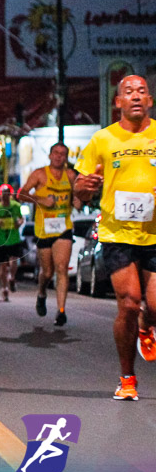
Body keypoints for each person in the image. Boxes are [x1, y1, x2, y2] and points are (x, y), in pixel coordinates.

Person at [73, 74, 156, 402]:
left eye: (142, 91)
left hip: (154, 233)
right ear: (118, 102)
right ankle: (127, 378)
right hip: (116, 232)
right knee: (129, 302)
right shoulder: (102, 140)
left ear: (149, 100)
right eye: (128, 92)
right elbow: (79, 187)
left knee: (154, 306)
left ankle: (147, 328)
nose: (136, 96)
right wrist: (84, 186)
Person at [18, 142, 79, 325]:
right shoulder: (39, 174)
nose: (59, 156)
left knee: (62, 269)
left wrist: (78, 200)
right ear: (50, 155)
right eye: (56, 153)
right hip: (44, 229)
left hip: (63, 227)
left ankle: (61, 311)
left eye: (63, 154)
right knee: (47, 272)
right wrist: (40, 199)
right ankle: (42, 293)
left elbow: (79, 194)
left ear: (66, 157)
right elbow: (21, 195)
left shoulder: (70, 176)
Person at [0, 184, 24, 302]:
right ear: (0, 196)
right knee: (2, 266)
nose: (5, 197)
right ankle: (4, 289)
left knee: (14, 260)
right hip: (0, 240)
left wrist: (19, 223)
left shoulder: (16, 206)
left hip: (14, 238)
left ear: (10, 195)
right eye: (2, 195)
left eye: (7, 194)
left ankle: (12, 278)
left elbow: (21, 218)